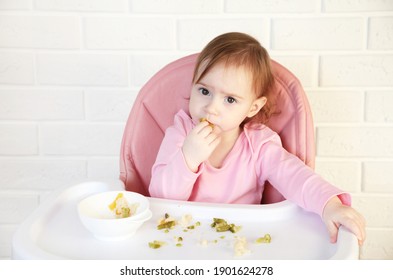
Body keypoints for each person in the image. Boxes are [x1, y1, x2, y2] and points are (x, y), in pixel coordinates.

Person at [149, 32, 365, 245]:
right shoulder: (181, 132)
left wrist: (330, 205)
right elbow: (160, 196)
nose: (212, 108)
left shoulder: (259, 145)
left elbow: (296, 177)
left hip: (241, 241)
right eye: (204, 91)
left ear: (253, 107)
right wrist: (188, 159)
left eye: (230, 99)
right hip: (184, 238)